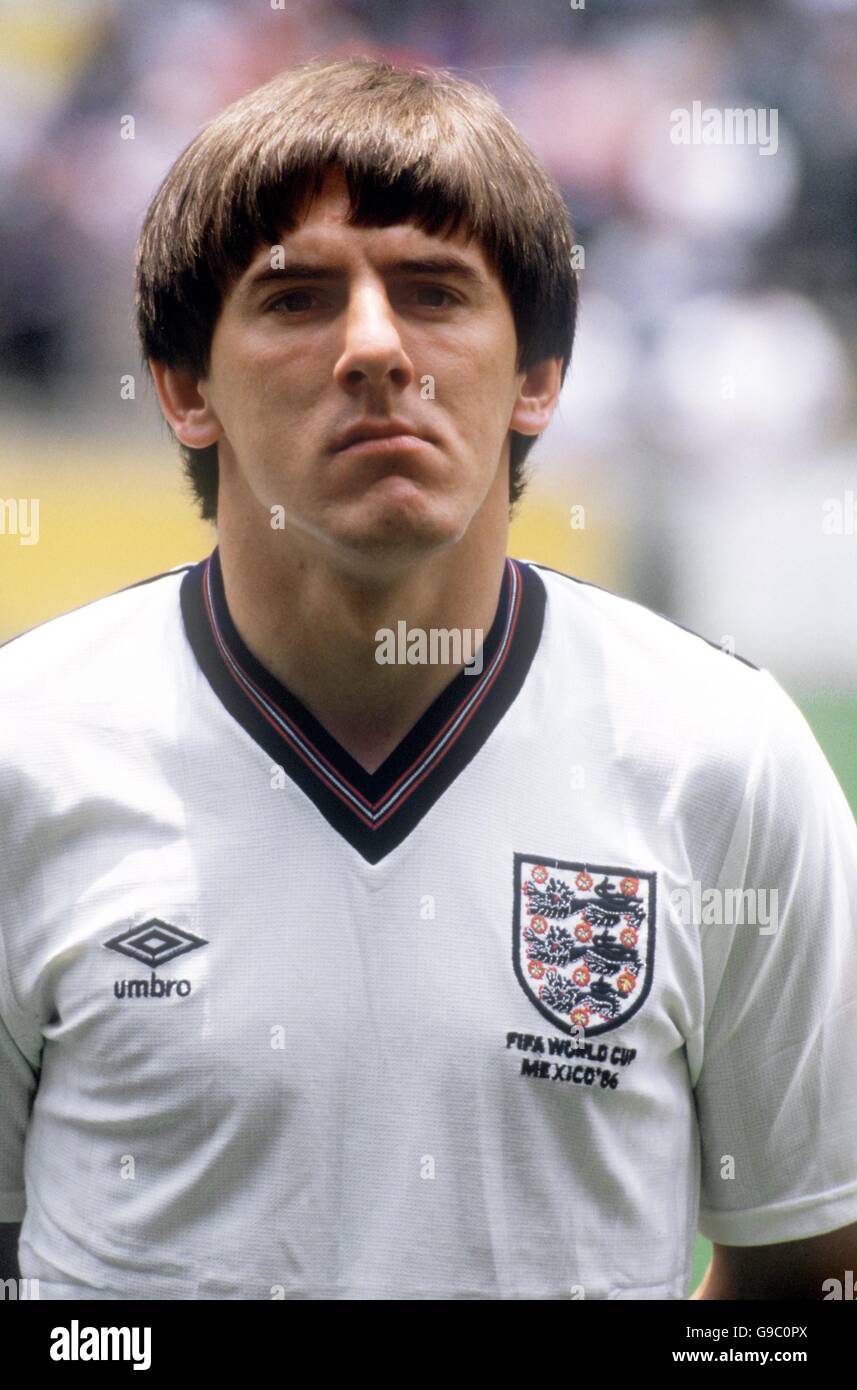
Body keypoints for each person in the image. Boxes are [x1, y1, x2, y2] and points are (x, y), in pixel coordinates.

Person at [1, 56, 855, 1302]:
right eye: (295, 299)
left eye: (434, 290)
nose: (372, 346)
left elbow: (807, 1266)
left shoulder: (718, 754)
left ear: (536, 379)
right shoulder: (28, 747)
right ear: (185, 388)